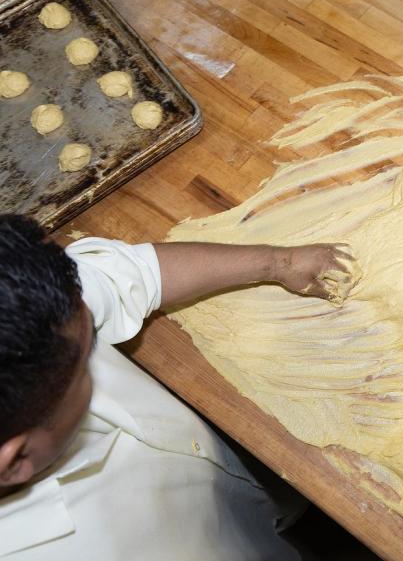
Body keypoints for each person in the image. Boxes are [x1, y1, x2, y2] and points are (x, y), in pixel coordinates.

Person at [0, 213, 354, 560]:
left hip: (252, 487)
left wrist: (279, 262)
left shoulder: (23, 323)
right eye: (86, 360)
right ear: (15, 461)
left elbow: (123, 277)